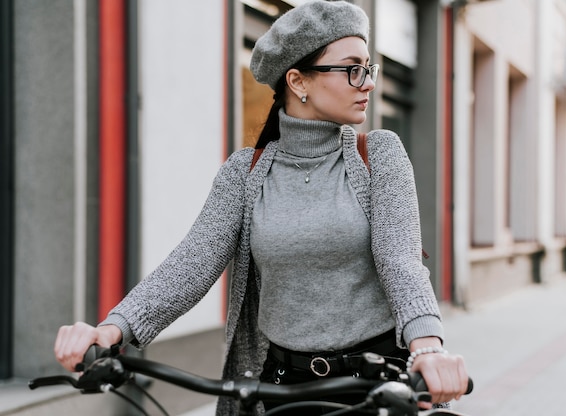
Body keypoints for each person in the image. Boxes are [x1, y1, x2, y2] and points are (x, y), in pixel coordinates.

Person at [54, 1, 469, 414]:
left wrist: (428, 349)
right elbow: (191, 263)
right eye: (352, 68)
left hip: (376, 386)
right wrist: (111, 328)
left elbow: (402, 263)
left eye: (368, 69)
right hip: (281, 387)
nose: (368, 83)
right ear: (298, 81)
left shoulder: (378, 155)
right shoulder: (245, 173)